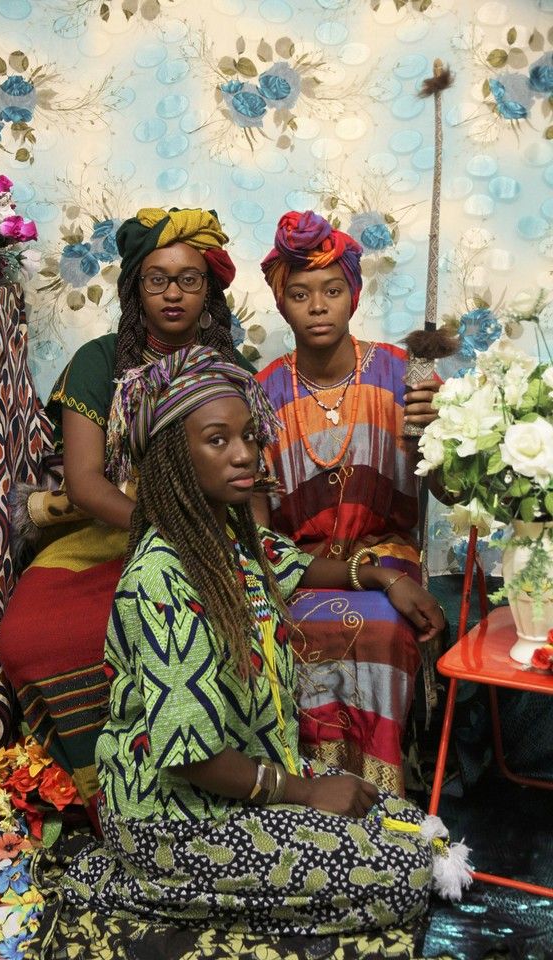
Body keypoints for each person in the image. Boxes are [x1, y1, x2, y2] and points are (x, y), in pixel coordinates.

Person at [58, 344, 467, 935]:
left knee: (405, 823)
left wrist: (378, 574)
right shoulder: (161, 578)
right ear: (175, 456)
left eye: (249, 436)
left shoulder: (228, 536)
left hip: (242, 786)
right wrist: (303, 791)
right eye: (218, 440)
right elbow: (192, 759)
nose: (245, 454)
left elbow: (289, 562)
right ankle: (136, 882)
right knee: (400, 874)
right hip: (176, 819)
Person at [0, 207, 252, 809]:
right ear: (135, 288)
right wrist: (163, 527)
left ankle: (196, 791)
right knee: (31, 638)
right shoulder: (100, 361)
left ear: (210, 289)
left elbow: (251, 484)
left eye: (189, 279)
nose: (172, 293)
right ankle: (101, 800)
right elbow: (85, 485)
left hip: (210, 541)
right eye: (156, 278)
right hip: (110, 533)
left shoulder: (234, 369)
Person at [254, 210, 443, 795]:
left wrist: (436, 439)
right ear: (282, 303)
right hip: (300, 568)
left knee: (383, 630)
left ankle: (385, 798)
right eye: (300, 293)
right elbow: (259, 543)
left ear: (353, 296)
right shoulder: (260, 394)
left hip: (387, 554)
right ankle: (311, 793)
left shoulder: (402, 376)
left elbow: (452, 493)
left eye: (332, 290)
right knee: (285, 634)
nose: (317, 306)